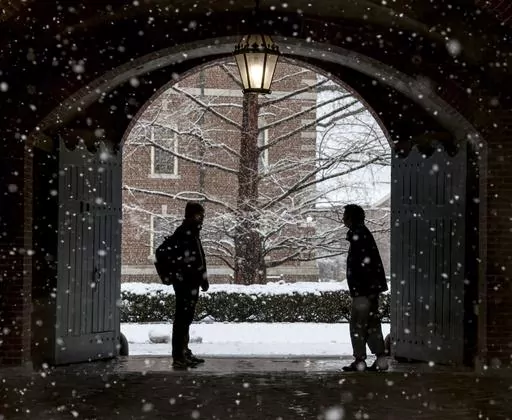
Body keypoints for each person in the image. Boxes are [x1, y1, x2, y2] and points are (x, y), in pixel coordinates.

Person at [156, 201, 209, 369]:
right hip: (185, 282)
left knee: (186, 318)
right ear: (193, 215)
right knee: (182, 319)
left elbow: (197, 258)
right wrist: (175, 276)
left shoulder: (192, 232)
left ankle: (183, 351)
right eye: (200, 215)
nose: (202, 218)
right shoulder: (184, 233)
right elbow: (165, 254)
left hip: (190, 281)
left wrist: (203, 278)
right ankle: (179, 355)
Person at [342, 204, 388, 372]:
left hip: (363, 290)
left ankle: (360, 359)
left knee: (358, 325)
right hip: (370, 289)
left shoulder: (358, 236)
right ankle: (380, 358)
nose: (343, 219)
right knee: (372, 323)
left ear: (351, 218)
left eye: (345, 215)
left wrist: (360, 289)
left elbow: (360, 266)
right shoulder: (364, 234)